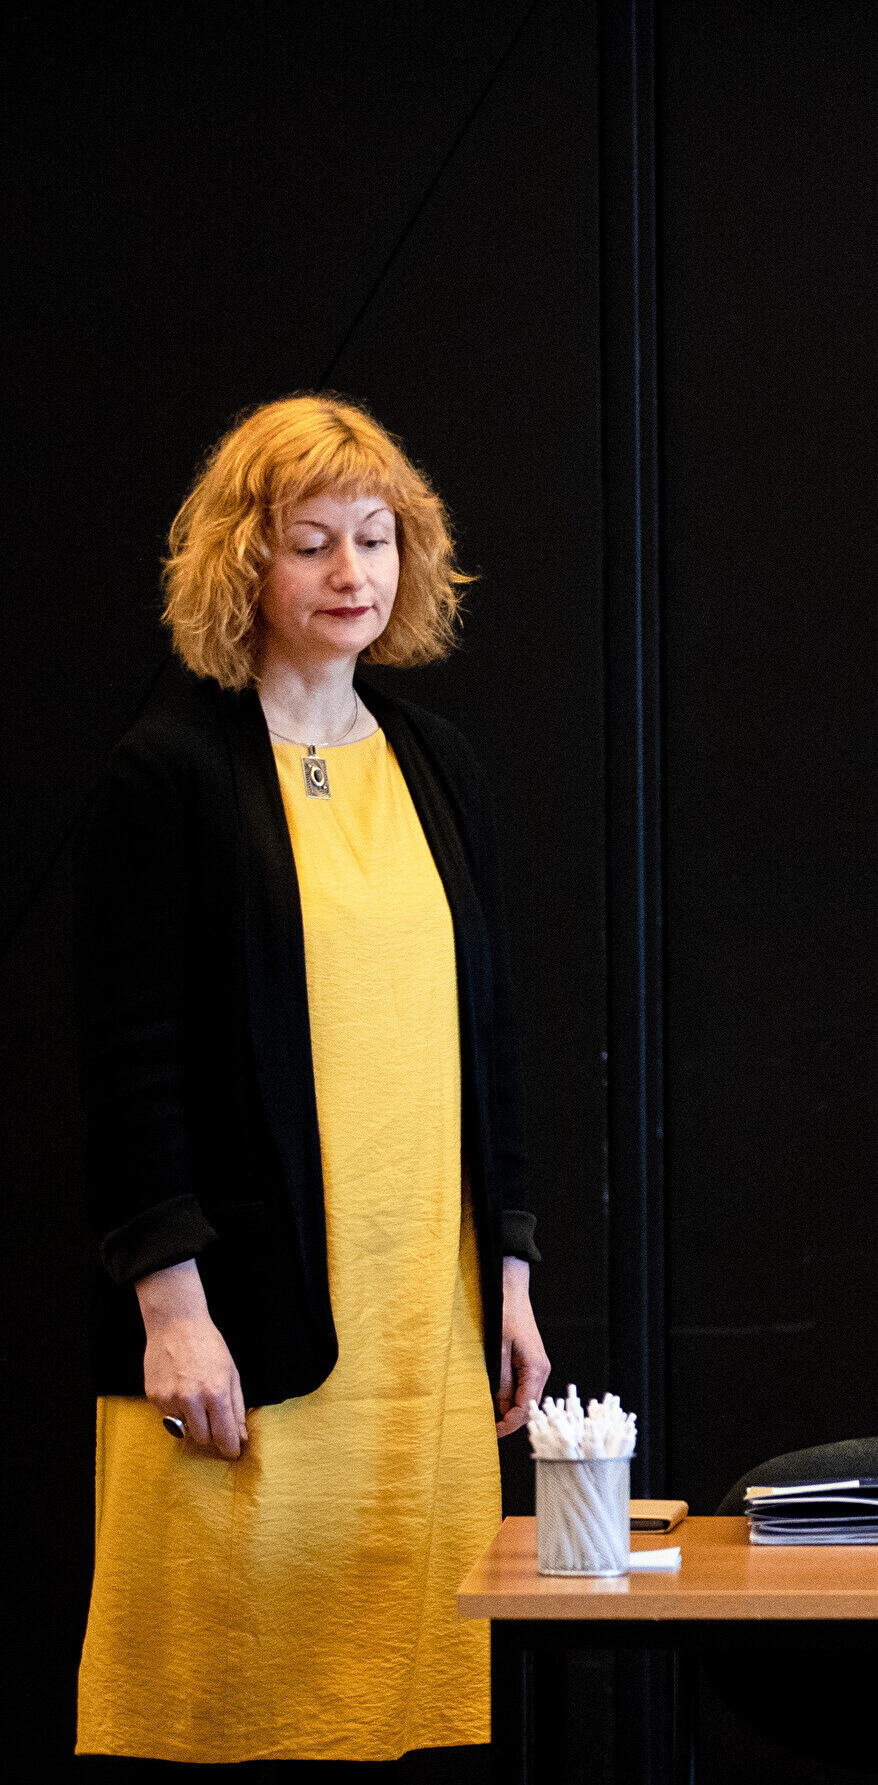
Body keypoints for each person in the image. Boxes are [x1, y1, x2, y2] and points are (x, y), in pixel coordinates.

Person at [75, 395, 551, 1768]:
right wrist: (172, 1310)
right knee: (229, 1695)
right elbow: (127, 1069)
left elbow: (491, 1037)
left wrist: (511, 1273)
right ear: (246, 561)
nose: (354, 573)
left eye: (377, 538)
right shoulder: (168, 774)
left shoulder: (438, 764)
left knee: (405, 1691)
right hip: (243, 1318)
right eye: (313, 543)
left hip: (422, 1321)